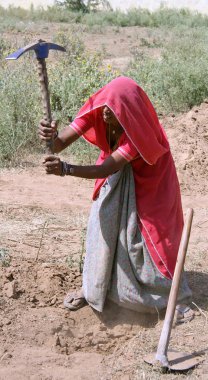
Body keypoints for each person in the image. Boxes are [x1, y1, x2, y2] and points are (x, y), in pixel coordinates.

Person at [39, 76, 194, 322]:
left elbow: (105, 169)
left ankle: (169, 297)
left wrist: (65, 169)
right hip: (116, 171)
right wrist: (50, 136)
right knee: (103, 225)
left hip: (150, 180)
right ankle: (95, 288)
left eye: (115, 111)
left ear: (128, 112)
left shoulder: (137, 133)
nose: (107, 114)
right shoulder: (99, 110)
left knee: (152, 238)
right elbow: (58, 144)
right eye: (106, 107)